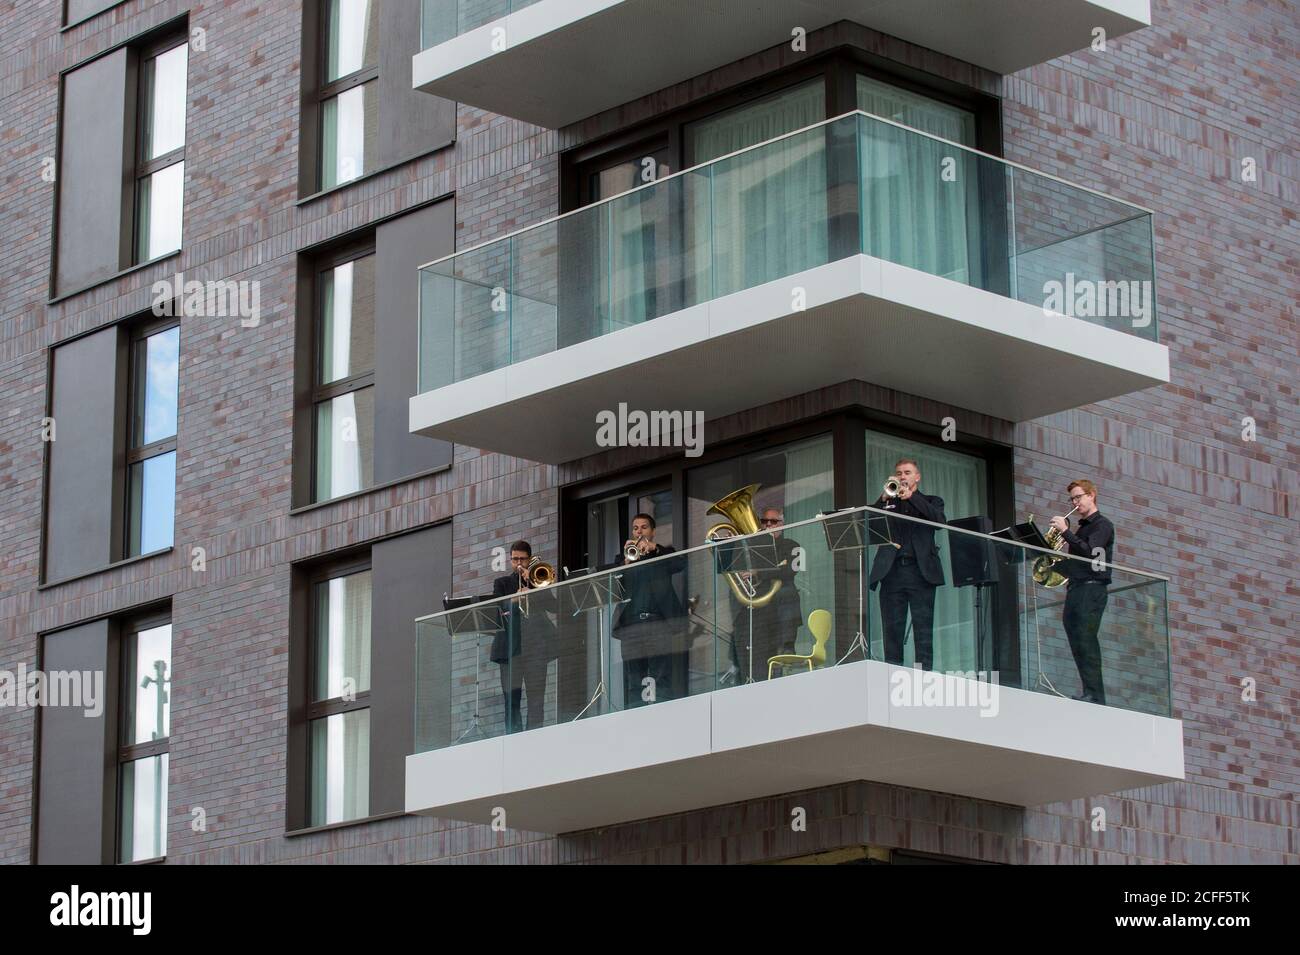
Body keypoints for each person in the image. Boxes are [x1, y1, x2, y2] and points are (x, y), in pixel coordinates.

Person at [869, 458, 946, 670]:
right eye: (899, 473)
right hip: (891, 572)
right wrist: (882, 499)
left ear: (917, 477)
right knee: (892, 629)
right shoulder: (888, 503)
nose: (902, 477)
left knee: (923, 629)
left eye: (907, 472)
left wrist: (911, 498)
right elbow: (868, 525)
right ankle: (891, 675)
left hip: (920, 573)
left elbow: (939, 521)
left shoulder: (931, 500)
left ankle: (924, 677)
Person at [613, 513, 688, 707]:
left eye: (644, 527)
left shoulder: (662, 553)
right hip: (630, 627)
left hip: (657, 623)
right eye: (636, 528)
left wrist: (656, 549)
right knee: (633, 678)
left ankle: (660, 713)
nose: (639, 532)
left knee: (660, 675)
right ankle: (635, 716)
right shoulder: (623, 559)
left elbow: (680, 563)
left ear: (653, 532)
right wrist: (624, 563)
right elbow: (613, 591)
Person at [1051, 479, 1114, 705]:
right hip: (1076, 588)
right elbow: (1077, 563)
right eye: (1073, 498)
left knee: (1086, 639)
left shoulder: (1102, 526)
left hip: (1092, 588)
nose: (1075, 502)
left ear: (1091, 495)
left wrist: (1066, 532)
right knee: (1076, 638)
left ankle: (1095, 695)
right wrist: (1050, 563)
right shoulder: (1083, 528)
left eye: (1078, 497)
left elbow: (1091, 555)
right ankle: (1088, 691)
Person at [728, 506, 803, 681]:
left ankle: (787, 647)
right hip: (760, 609)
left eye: (774, 521)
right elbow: (740, 570)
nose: (768, 525)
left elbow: (792, 570)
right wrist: (734, 546)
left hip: (780, 605)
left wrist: (759, 572)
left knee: (787, 591)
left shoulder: (792, 545)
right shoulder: (753, 546)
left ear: (782, 524)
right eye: (765, 522)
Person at [490, 540, 553, 732]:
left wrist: (533, 587)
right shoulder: (502, 583)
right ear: (510, 560)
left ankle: (535, 741)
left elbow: (553, 606)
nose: (518, 563)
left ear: (530, 560)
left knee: (536, 700)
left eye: (522, 559)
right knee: (511, 700)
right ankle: (513, 742)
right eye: (515, 559)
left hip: (535, 649)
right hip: (510, 650)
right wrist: (514, 599)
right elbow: (496, 611)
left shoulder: (538, 580)